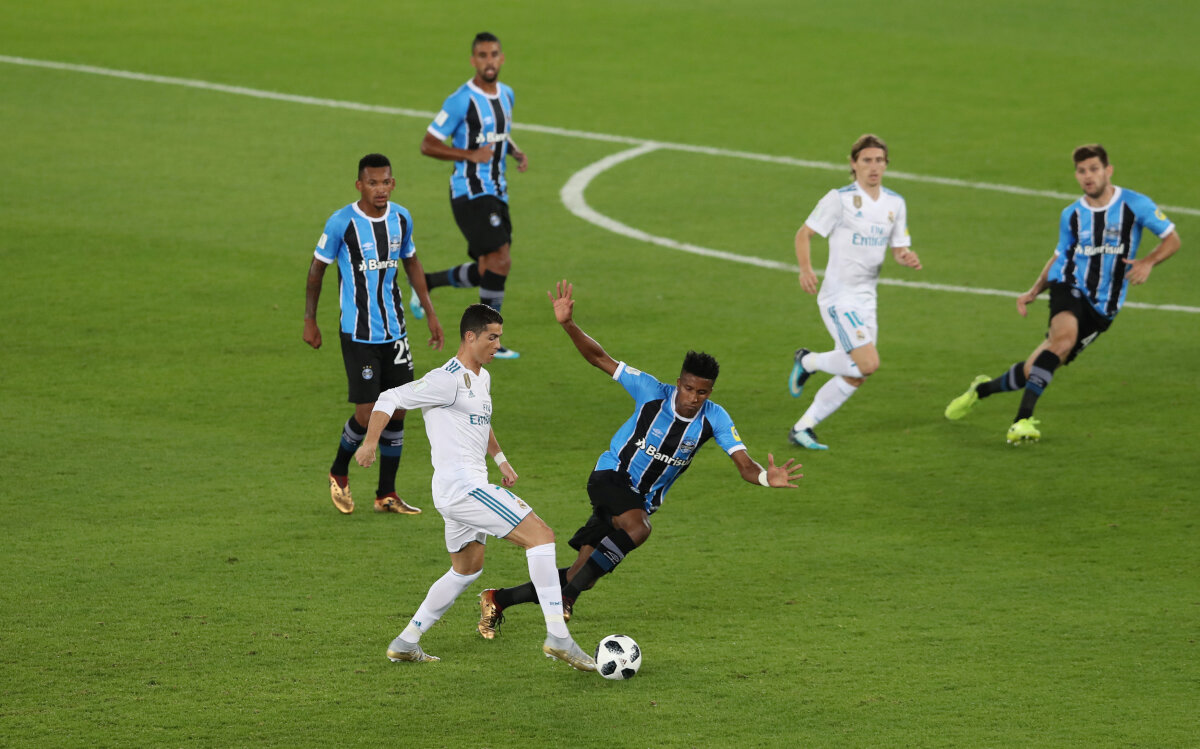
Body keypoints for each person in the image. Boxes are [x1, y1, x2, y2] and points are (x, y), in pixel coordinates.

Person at [475, 281, 803, 638]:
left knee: (581, 573)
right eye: (689, 388)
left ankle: (499, 598)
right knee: (638, 529)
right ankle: (565, 599)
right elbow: (601, 359)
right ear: (679, 382)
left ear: (710, 392)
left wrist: (767, 478)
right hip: (609, 477)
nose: (693, 398)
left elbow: (744, 464)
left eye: (702, 392)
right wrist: (568, 324)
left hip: (640, 499)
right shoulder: (651, 391)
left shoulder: (715, 418)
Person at [356, 304, 594, 670]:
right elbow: (390, 397)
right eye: (492, 337)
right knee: (542, 537)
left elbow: (480, 423)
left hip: (464, 488)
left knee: (467, 569)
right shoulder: (445, 379)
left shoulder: (481, 378)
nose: (498, 344)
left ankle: (406, 641)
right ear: (470, 337)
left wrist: (500, 459)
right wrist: (371, 441)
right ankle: (558, 637)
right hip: (462, 489)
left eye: (499, 337)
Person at [945, 144, 1181, 444]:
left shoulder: (1135, 205)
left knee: (1036, 367)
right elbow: (1060, 256)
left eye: (1094, 169)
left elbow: (1172, 239)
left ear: (1108, 170)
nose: (1088, 176)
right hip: (1069, 286)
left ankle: (980, 390)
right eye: (1082, 171)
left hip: (1104, 309)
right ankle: (1021, 422)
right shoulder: (1071, 215)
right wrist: (1034, 289)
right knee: (1063, 339)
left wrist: (1148, 261)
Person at [304, 153, 444, 515]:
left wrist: (429, 311)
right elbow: (317, 271)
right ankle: (339, 471)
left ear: (393, 183)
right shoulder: (342, 223)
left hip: (395, 331)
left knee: (398, 411)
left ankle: (386, 493)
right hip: (359, 333)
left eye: (385, 182)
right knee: (367, 415)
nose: (380, 189)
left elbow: (411, 261)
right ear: (359, 185)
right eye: (372, 183)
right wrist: (310, 320)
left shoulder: (401, 218)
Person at [786, 134, 922, 450]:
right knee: (868, 363)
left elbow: (899, 247)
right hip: (838, 297)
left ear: (886, 164)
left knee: (857, 373)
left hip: (867, 299)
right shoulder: (840, 199)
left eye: (879, 161)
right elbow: (804, 234)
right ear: (854, 164)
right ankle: (809, 362)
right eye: (867, 161)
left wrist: (906, 257)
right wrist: (806, 269)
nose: (873, 167)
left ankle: (802, 427)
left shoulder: (895, 204)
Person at [414, 31, 528, 360]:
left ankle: (426, 282)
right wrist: (468, 155)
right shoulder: (461, 99)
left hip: (498, 190)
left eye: (494, 54)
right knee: (501, 259)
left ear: (502, 58)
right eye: (482, 55)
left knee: (491, 267)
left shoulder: (507, 94)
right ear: (473, 60)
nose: (489, 61)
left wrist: (515, 152)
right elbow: (428, 144)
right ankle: (490, 339)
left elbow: (499, 134)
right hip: (469, 191)